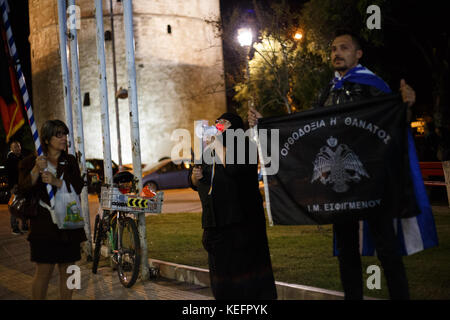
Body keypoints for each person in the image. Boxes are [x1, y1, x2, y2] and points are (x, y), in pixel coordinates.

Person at [248, 30, 416, 300]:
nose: (337, 53)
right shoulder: (326, 91)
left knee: (387, 248)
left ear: (358, 53)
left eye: (344, 48)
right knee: (346, 251)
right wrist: (267, 123)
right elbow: (307, 132)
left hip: (373, 182)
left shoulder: (374, 85)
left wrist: (406, 106)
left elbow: (394, 124)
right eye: (333, 49)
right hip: (339, 188)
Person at [190, 113, 277, 300]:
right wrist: (194, 178)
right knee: (223, 283)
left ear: (236, 127)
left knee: (246, 283)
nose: (219, 125)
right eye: (217, 122)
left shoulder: (245, 146)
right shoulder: (208, 151)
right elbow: (198, 178)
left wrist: (216, 144)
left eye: (225, 122)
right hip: (217, 226)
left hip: (242, 225)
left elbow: (233, 168)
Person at [17, 120, 86, 300]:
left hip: (70, 223)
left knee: (71, 270)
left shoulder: (69, 160)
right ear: (47, 139)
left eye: (65, 134)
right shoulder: (32, 161)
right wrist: (35, 170)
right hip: (44, 224)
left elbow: (78, 186)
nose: (64, 138)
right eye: (59, 134)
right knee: (44, 271)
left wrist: (58, 182)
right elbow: (23, 188)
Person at [6, 140, 28, 235]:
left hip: (24, 185)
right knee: (14, 206)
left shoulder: (23, 158)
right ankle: (15, 227)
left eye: (18, 146)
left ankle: (25, 225)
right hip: (14, 186)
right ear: (11, 149)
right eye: (15, 147)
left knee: (24, 205)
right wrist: (12, 186)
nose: (17, 148)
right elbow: (9, 175)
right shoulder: (9, 159)